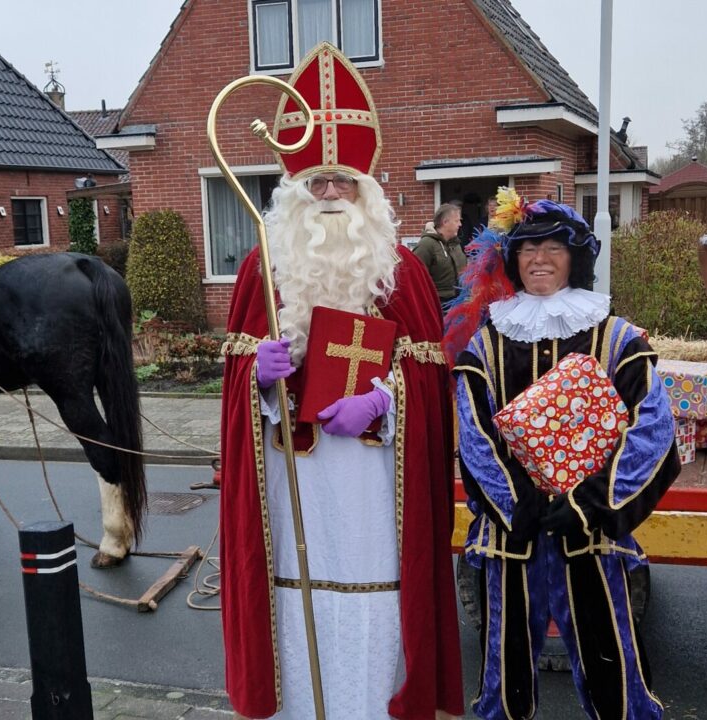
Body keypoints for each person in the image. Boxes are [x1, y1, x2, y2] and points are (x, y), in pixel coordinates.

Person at [218, 43, 463, 720]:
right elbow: (236, 386)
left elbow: (428, 378)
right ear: (294, 191)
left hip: (370, 484)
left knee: (376, 597)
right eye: (317, 182)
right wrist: (257, 382)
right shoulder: (258, 270)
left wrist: (381, 402)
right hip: (289, 478)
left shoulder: (403, 273)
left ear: (367, 191)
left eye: (343, 182)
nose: (330, 194)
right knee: (292, 602)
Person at [443, 192, 680, 720]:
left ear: (576, 257)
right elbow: (474, 431)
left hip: (590, 535)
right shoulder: (486, 343)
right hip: (513, 537)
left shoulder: (615, 337)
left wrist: (590, 503)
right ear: (513, 260)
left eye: (553, 247)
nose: (540, 259)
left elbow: (653, 427)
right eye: (528, 249)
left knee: (614, 667)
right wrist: (517, 505)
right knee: (504, 677)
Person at [413, 202, 468, 308]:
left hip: (458, 303)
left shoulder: (456, 244)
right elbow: (415, 279)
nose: (460, 224)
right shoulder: (426, 245)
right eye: (457, 221)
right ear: (445, 222)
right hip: (437, 306)